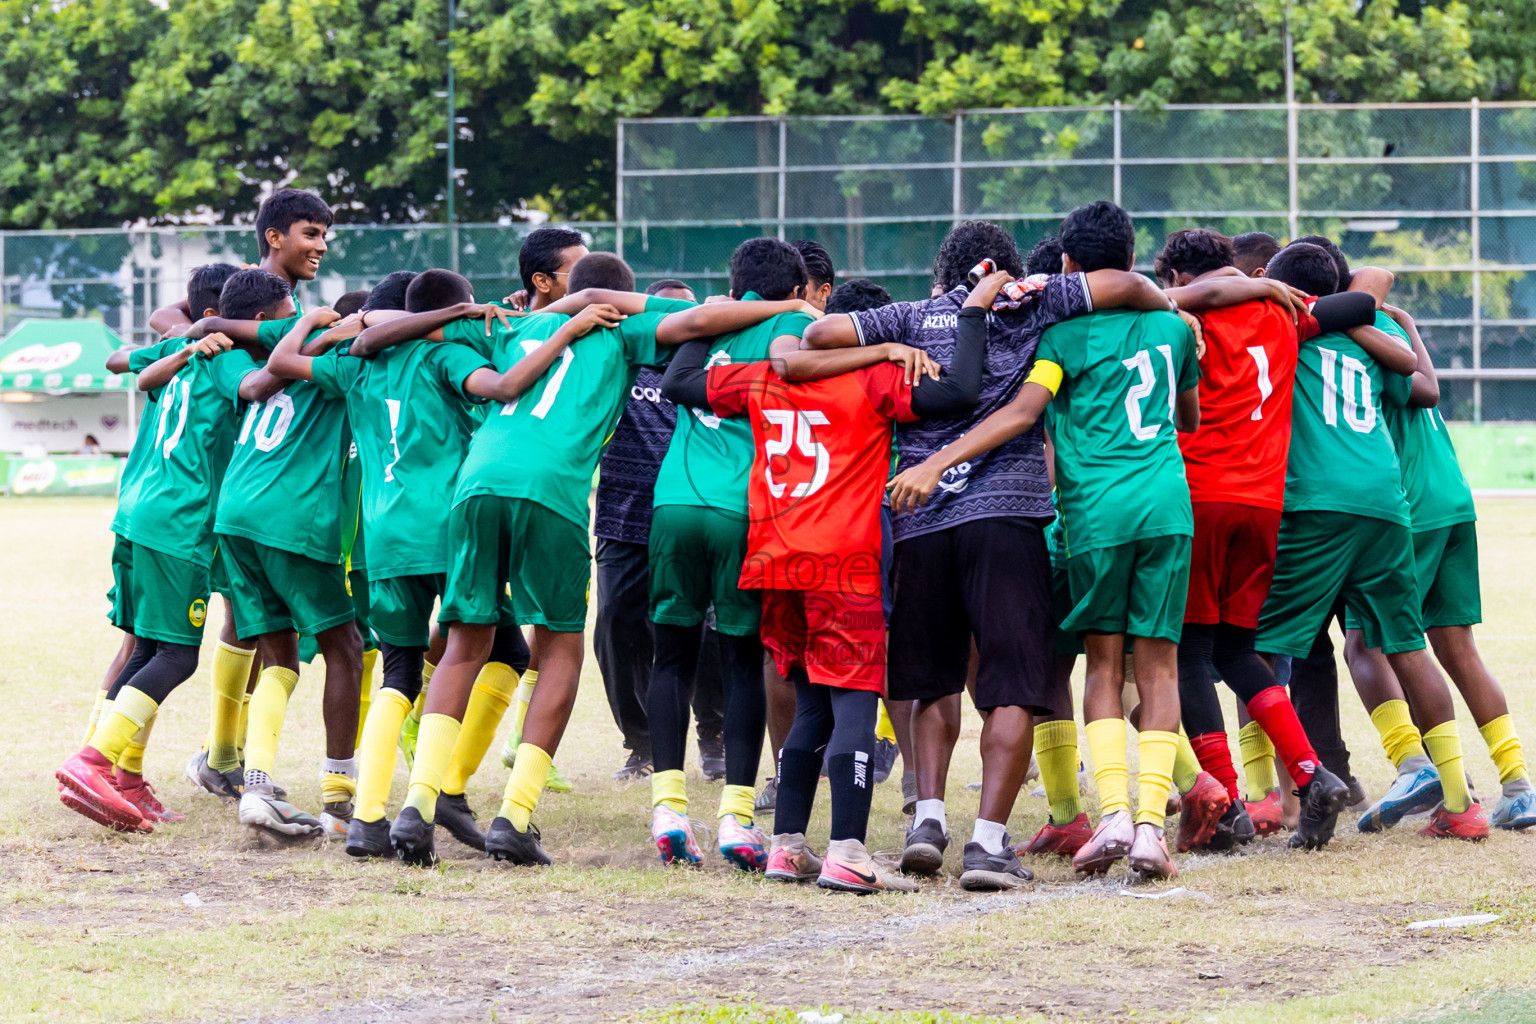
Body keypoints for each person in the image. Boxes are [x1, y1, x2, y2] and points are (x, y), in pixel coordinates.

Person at [890, 202, 1203, 879]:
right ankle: (1151, 829)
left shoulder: (1059, 341)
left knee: (1102, 667)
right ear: (1133, 256)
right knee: (1159, 671)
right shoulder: (1174, 330)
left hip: (1094, 515)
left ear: (1065, 264)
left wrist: (938, 461)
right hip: (1166, 507)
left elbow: (1026, 410)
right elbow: (1190, 417)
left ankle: (1111, 814)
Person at [661, 271, 989, 892]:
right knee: (855, 700)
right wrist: (972, 310)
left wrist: (711, 317)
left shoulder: (766, 374)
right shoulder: (877, 377)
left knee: (811, 701)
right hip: (844, 561)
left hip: (777, 559)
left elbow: (680, 381)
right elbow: (962, 390)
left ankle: (787, 846)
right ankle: (848, 852)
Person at [264, 269, 604, 863]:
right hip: (449, 530)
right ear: (450, 312)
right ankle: (446, 790)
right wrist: (558, 332)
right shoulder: (445, 357)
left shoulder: (355, 365)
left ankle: (368, 819)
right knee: (508, 653)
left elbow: (285, 361)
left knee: (398, 670)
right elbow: (503, 386)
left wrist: (335, 324)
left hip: (383, 537)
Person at [1152, 228, 1383, 851]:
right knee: (1236, 652)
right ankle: (1312, 775)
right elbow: (1362, 302)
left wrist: (1192, 299)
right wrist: (1267, 289)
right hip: (1263, 505)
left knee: (1188, 654)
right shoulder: (1283, 311)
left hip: (1201, 496)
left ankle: (1224, 804)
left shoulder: (1177, 317)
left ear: (1177, 278)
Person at [1256, 242, 1488, 842]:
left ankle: (1288, 793)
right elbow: (1414, 378)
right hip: (1386, 502)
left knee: (1262, 653)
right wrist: (1373, 320)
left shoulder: (1285, 334)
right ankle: (1460, 803)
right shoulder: (1369, 338)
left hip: (1316, 503)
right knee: (1407, 646)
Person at [57, 263, 252, 832]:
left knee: (144, 647)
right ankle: (92, 761)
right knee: (178, 656)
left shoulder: (178, 348)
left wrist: (183, 338)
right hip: (179, 521)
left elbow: (122, 361)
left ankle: (124, 777)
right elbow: (259, 386)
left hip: (137, 510)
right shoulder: (228, 359)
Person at [645, 238, 819, 871]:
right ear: (796, 289)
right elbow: (795, 375)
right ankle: (736, 819)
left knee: (672, 656)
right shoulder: (794, 324)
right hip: (743, 510)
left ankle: (668, 809)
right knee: (743, 662)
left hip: (674, 503)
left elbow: (676, 382)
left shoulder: (710, 320)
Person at [1340, 302, 1536, 833]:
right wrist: (1406, 322)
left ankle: (1419, 770)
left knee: (1364, 643)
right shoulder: (1390, 324)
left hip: (1407, 505)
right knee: (1457, 647)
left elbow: (1414, 392)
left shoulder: (1346, 335)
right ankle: (1517, 786)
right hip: (1452, 495)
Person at [592, 278, 726, 783]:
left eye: (687, 314)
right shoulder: (619, 360)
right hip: (622, 520)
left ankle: (714, 734)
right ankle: (643, 743)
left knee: (706, 631)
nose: (678, 324)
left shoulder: (708, 369)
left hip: (691, 517)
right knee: (616, 628)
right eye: (666, 314)